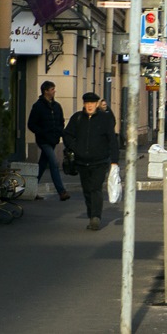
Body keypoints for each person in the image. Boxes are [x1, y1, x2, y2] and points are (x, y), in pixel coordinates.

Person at [63, 91, 119, 231]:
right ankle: (91, 214)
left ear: (97, 104)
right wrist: (75, 148)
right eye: (87, 103)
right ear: (84, 104)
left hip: (100, 161)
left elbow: (112, 140)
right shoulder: (77, 118)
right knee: (87, 190)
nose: (89, 106)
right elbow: (67, 135)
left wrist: (115, 160)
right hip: (82, 162)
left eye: (92, 103)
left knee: (95, 188)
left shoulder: (105, 119)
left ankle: (95, 217)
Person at [26, 81, 71, 202]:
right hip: (43, 140)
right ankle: (61, 192)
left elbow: (61, 121)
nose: (54, 91)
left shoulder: (57, 106)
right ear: (46, 91)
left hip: (53, 140)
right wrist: (42, 132)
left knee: (41, 165)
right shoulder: (38, 106)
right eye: (52, 89)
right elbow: (31, 124)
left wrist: (60, 131)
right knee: (54, 163)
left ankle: (30, 190)